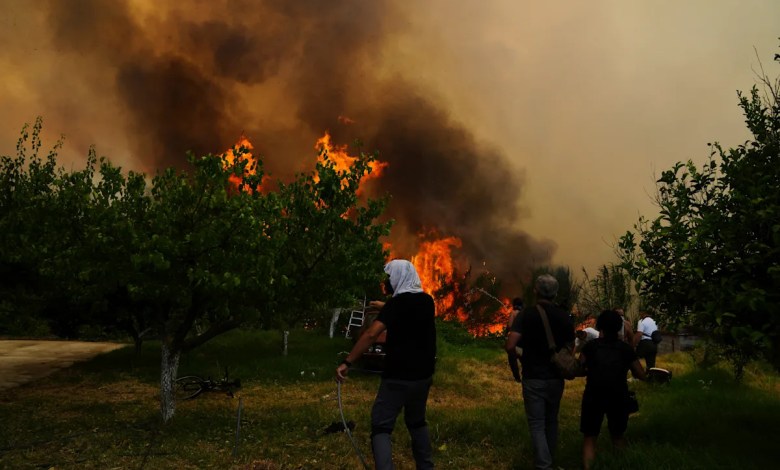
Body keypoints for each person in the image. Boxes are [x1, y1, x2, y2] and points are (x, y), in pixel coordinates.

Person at [336, 259, 437, 469]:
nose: (387, 282)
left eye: (389, 278)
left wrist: (348, 361)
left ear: (398, 278)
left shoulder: (396, 305)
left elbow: (372, 333)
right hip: (423, 377)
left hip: (397, 376)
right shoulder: (427, 301)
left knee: (381, 427)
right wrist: (385, 307)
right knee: (417, 422)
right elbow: (407, 313)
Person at [505, 274, 575, 470]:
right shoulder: (564, 316)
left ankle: (544, 466)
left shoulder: (526, 315)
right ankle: (550, 461)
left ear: (535, 291)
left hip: (533, 377)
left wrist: (522, 357)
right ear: (555, 294)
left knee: (536, 424)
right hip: (556, 378)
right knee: (551, 421)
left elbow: (510, 345)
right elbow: (571, 348)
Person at [579, 310, 647, 470]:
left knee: (590, 437)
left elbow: (580, 368)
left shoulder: (590, 347)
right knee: (617, 436)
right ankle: (621, 465)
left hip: (593, 395)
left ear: (599, 326)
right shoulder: (625, 349)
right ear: (619, 327)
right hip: (618, 395)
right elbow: (639, 373)